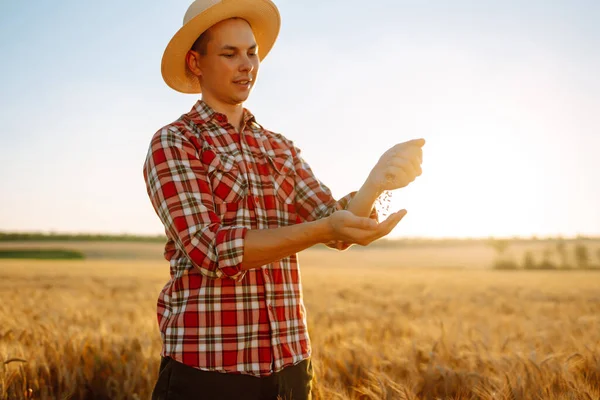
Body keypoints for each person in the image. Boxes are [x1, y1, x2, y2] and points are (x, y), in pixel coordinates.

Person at [143, 0, 425, 399]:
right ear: (195, 62)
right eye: (230, 54)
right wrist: (324, 228)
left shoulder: (279, 147)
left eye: (252, 52)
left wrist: (376, 182)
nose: (248, 65)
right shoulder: (176, 141)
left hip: (291, 367)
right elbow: (210, 248)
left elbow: (335, 223)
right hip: (209, 370)